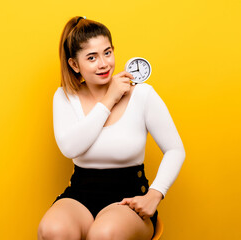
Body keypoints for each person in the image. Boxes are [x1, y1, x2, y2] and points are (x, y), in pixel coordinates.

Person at [38, 16, 186, 240]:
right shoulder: (65, 96)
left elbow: (175, 149)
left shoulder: (142, 95)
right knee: (52, 230)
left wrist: (155, 194)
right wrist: (109, 100)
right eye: (92, 57)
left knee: (105, 234)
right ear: (74, 64)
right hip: (80, 193)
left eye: (107, 52)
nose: (104, 63)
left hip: (129, 196)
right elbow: (70, 148)